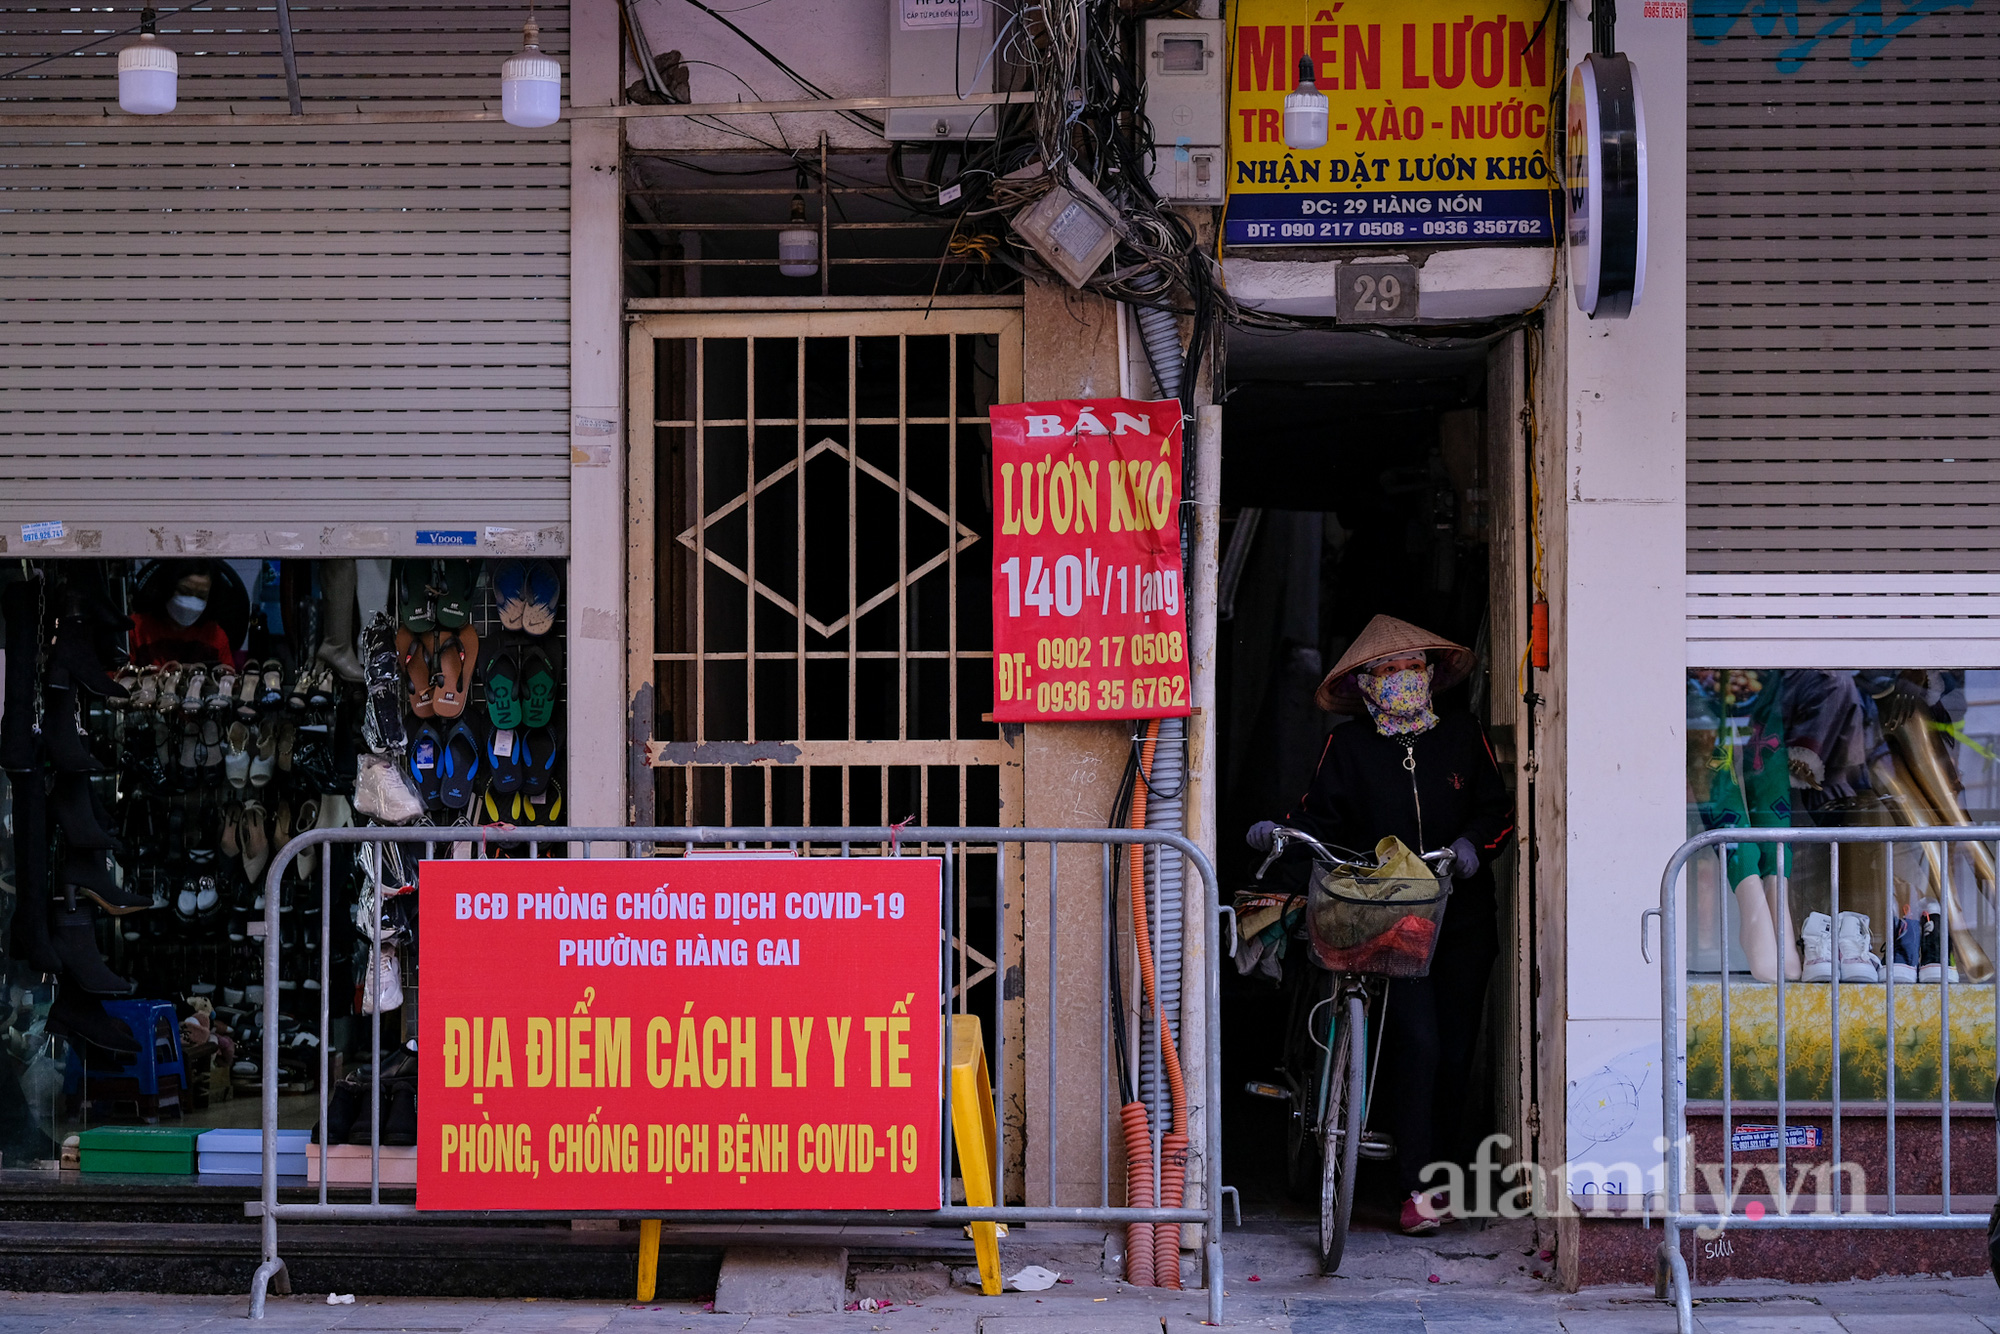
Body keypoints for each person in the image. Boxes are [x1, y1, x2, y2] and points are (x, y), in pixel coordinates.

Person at [1247, 613, 1513, 1236]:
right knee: (1415, 1046)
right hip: (1387, 916)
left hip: (1463, 918)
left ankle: (1443, 1177)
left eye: (1410, 667)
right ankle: (1415, 1189)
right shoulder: (1348, 746)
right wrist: (1280, 832)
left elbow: (1495, 810)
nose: (1400, 679)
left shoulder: (1463, 735)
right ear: (1365, 686)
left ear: (1430, 675)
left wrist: (1475, 846)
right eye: (1386, 671)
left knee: (1452, 1056)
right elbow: (1320, 817)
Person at [129, 560, 247, 668]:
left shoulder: (215, 637)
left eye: (201, 596)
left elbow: (228, 681)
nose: (192, 603)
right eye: (184, 591)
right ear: (167, 587)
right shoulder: (136, 630)